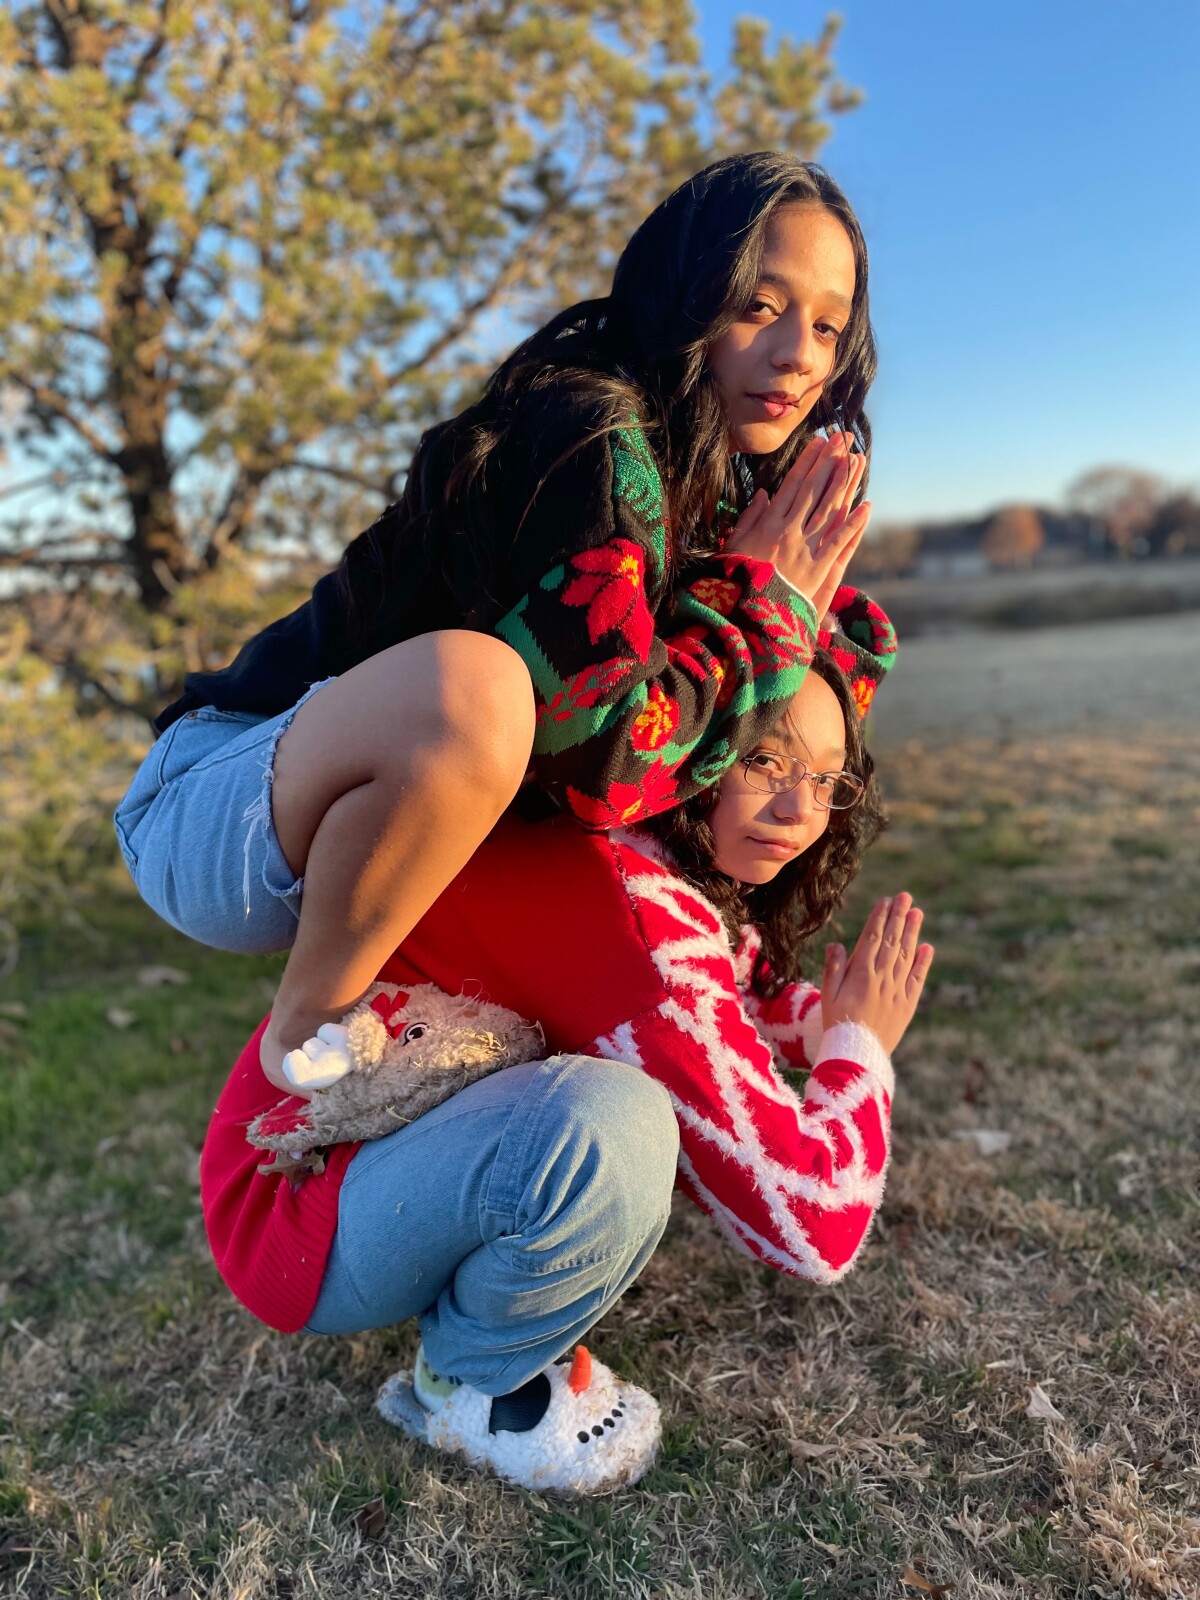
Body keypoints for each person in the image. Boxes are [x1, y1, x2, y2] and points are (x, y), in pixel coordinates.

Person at [112, 151, 892, 1097]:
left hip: (371, 844)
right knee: (482, 692)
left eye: (828, 325)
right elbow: (600, 760)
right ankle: (310, 1026)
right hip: (219, 809)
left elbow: (812, 700)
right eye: (760, 306)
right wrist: (763, 613)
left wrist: (775, 613)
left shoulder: (723, 488)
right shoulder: (594, 433)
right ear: (687, 297)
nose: (800, 353)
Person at [200, 651, 934, 1494]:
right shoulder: (640, 921)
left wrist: (828, 1019)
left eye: (829, 780)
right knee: (610, 1125)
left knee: (601, 1117)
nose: (801, 809)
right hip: (293, 1207)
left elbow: (727, 997)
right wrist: (858, 1048)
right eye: (766, 759)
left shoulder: (616, 835)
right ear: (698, 736)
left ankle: (474, 1306)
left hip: (336, 1173)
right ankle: (468, 1381)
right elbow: (813, 1223)